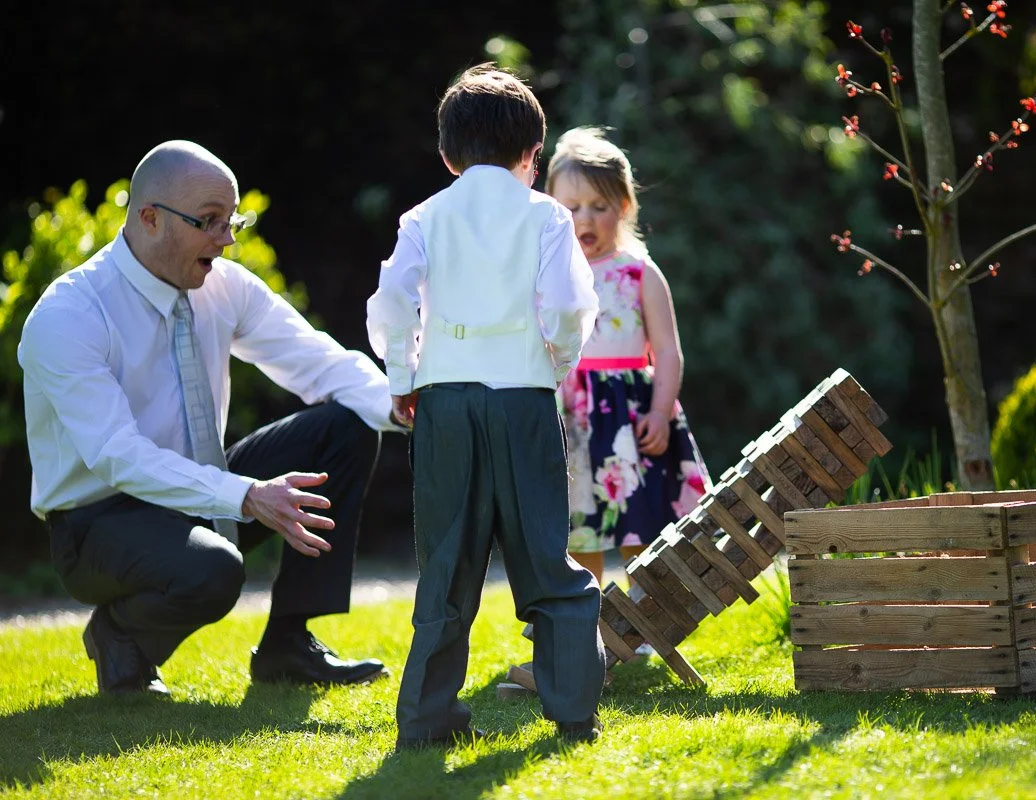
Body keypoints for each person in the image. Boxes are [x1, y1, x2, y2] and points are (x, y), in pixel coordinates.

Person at [18, 140, 402, 697]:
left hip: (195, 490)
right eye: (209, 221)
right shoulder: (69, 314)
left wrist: (407, 406)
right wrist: (246, 494)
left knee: (347, 425)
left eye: (232, 221)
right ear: (149, 218)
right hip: (96, 524)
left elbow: (320, 362)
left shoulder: (226, 286)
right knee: (216, 569)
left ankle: (288, 645)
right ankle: (118, 635)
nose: (226, 239)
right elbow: (116, 455)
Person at [366, 65, 606, 748]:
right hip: (523, 399)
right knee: (546, 558)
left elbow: (390, 301)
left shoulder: (424, 215)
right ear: (533, 155)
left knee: (445, 560)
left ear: (446, 154)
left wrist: (402, 373)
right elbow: (566, 306)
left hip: (443, 401)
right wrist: (554, 362)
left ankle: (426, 719)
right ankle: (572, 713)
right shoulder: (546, 216)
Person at [546, 127, 710, 590]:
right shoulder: (547, 274)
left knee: (638, 519)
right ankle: (585, 619)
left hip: (629, 416)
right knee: (580, 528)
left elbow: (668, 351)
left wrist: (660, 412)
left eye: (600, 207)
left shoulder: (639, 272)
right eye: (572, 208)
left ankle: (645, 619)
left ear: (624, 207)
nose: (586, 219)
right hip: (570, 415)